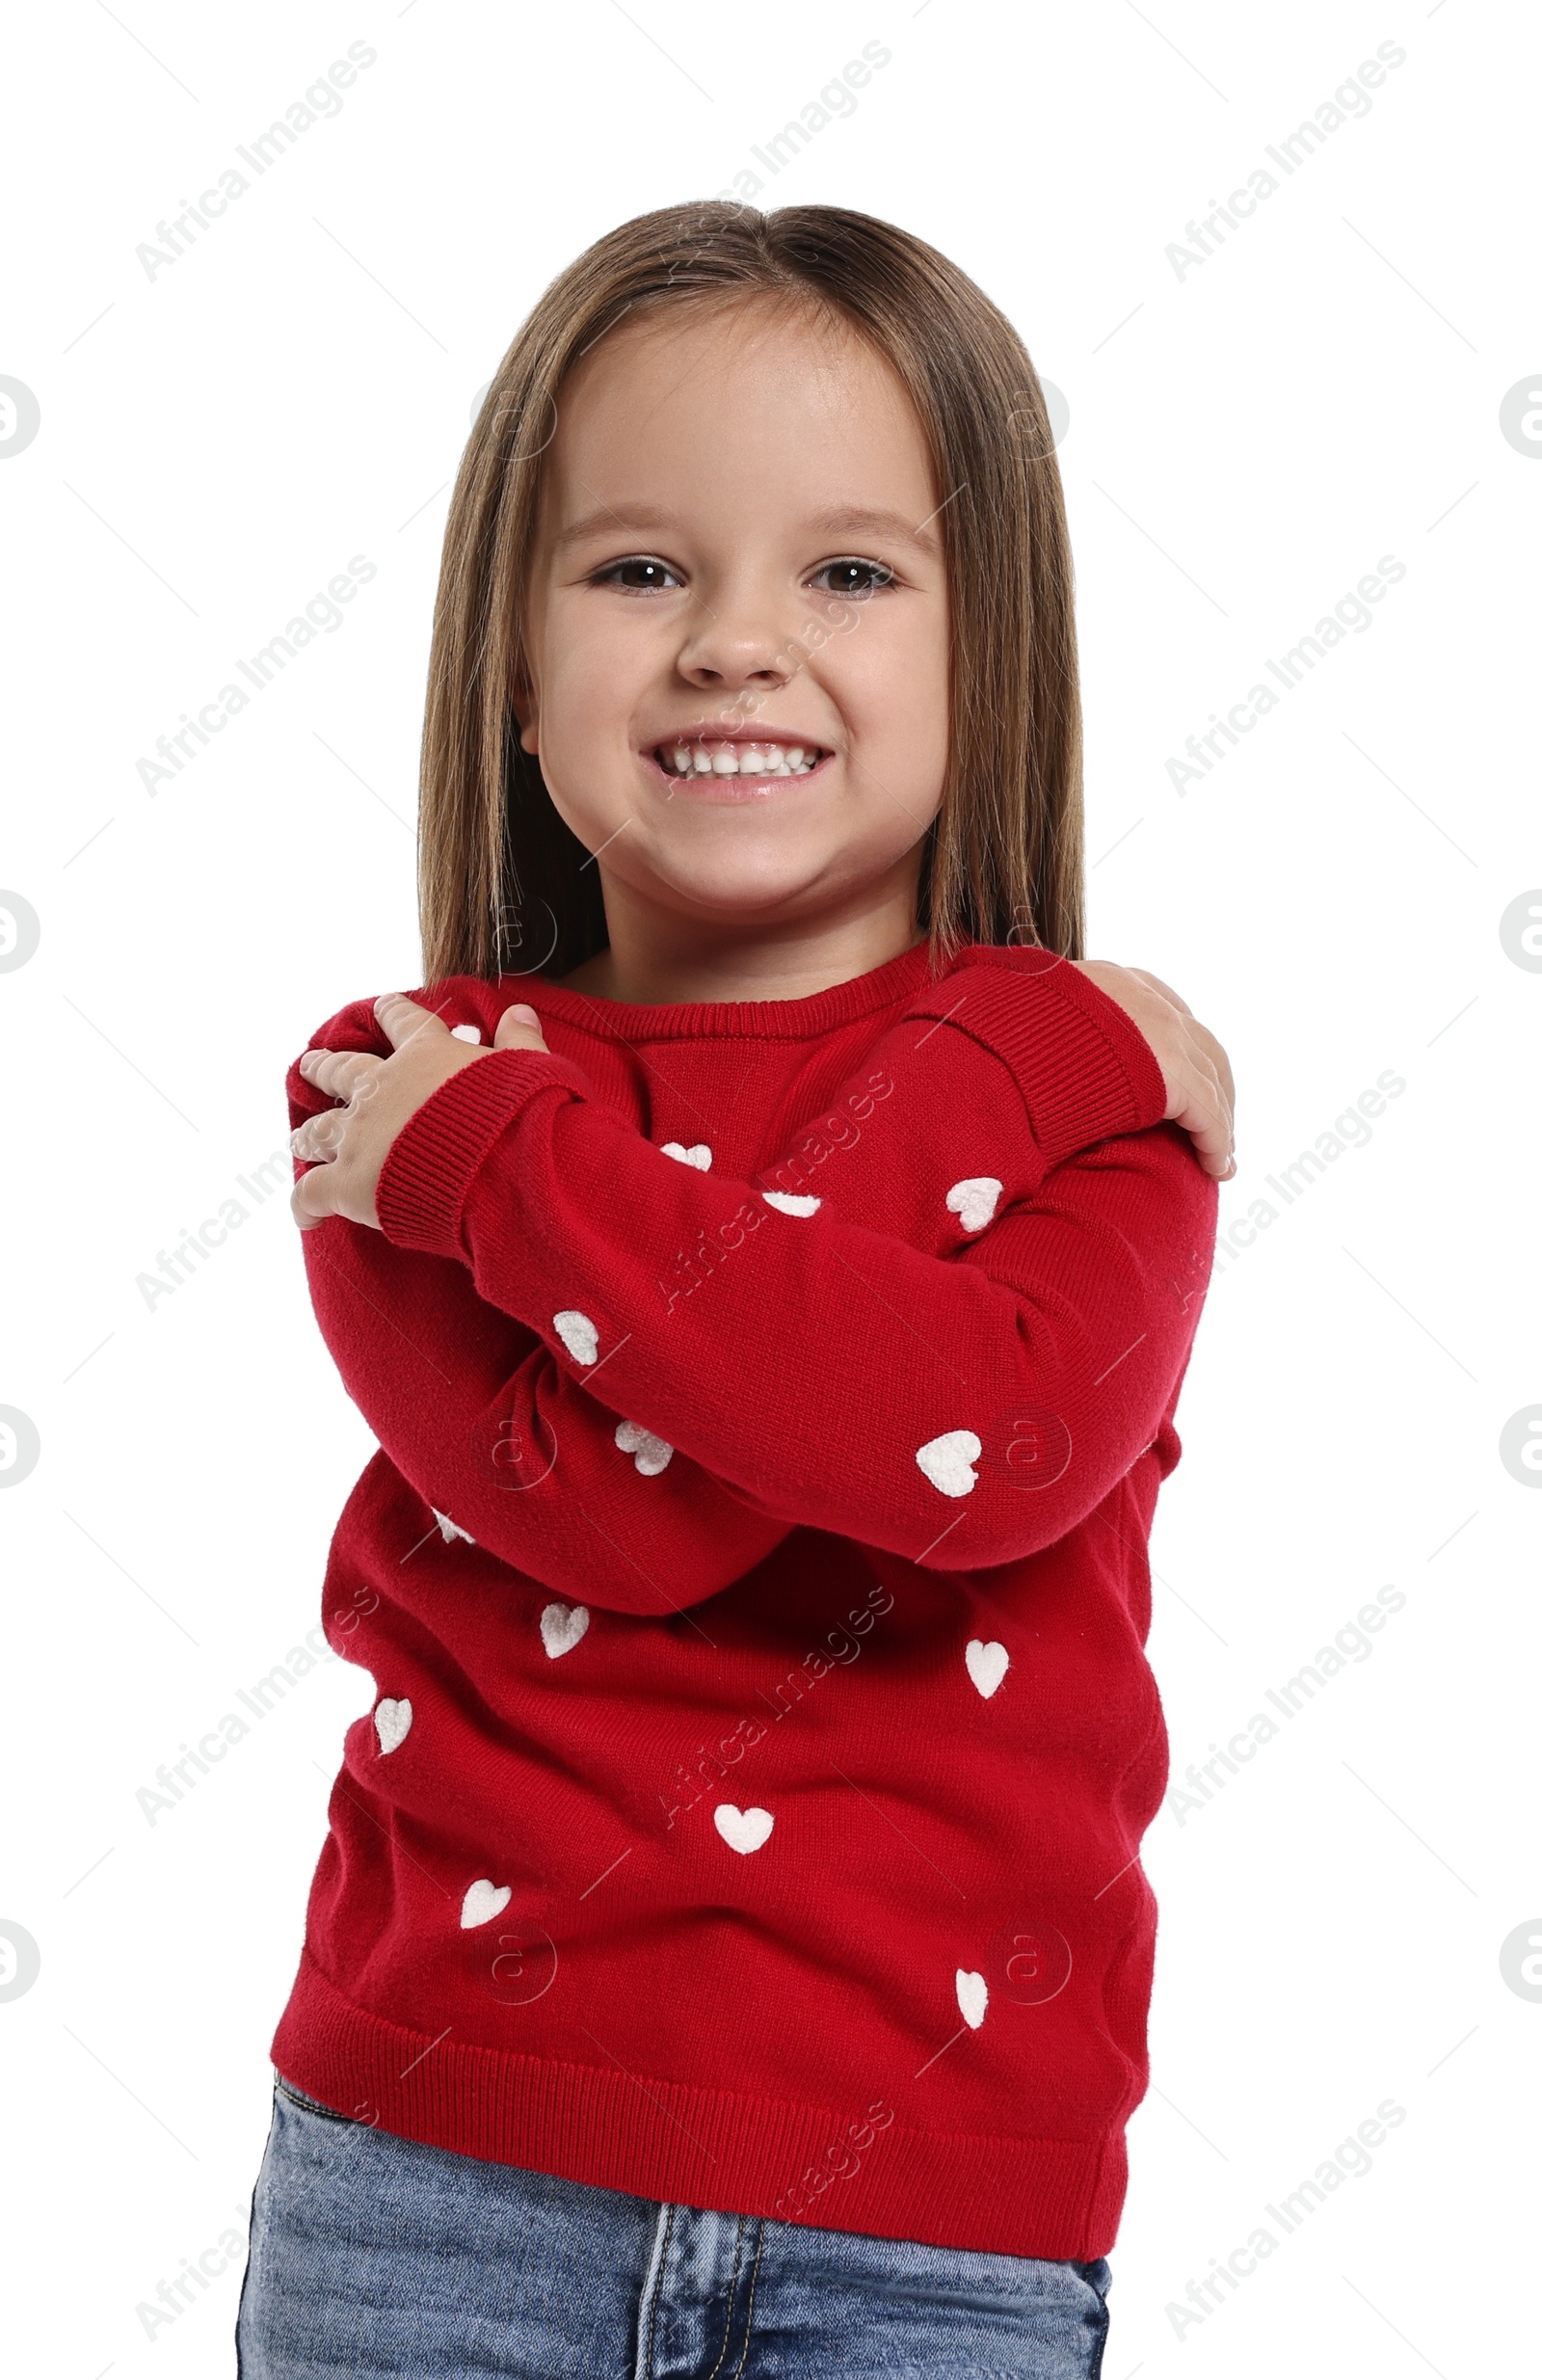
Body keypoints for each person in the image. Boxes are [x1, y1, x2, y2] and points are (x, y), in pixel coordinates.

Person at [235, 201, 1234, 2377]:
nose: (731, 643)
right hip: (429, 2183)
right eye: (636, 568)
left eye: (849, 571)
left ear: (996, 660)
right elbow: (627, 1506)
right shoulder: (402, 1095)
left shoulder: (1106, 1134)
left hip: (935, 2227)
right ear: (512, 661)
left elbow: (962, 1450)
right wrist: (1034, 1040)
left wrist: (1011, 1043)